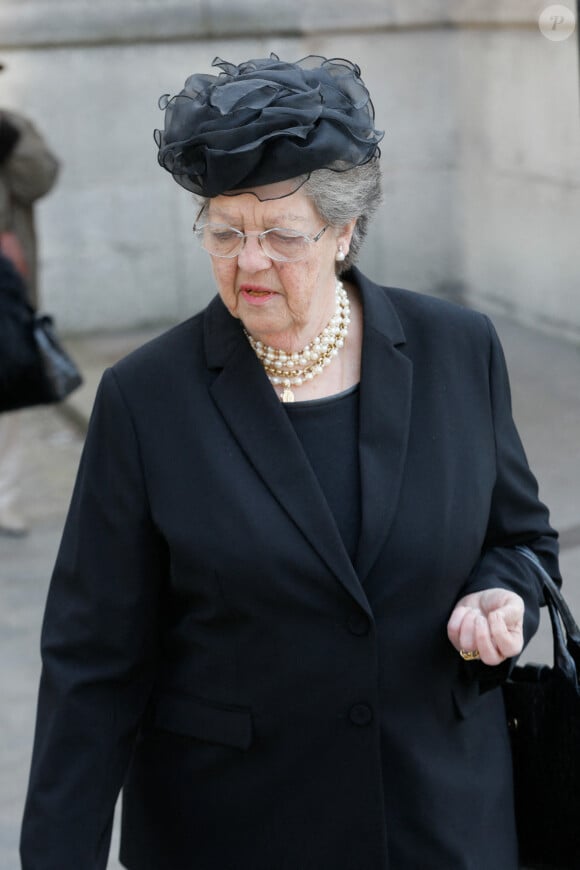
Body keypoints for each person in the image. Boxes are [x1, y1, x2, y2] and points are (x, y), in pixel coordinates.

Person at [20, 54, 559, 869]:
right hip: (234, 829)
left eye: (280, 234)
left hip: (443, 821)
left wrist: (499, 591)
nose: (249, 261)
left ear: (344, 232)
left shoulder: (459, 350)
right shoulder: (146, 397)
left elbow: (522, 540)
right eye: (225, 231)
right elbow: (93, 662)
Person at [0, 60, 59, 536]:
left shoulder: (14, 128)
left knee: (10, 391)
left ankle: (5, 499)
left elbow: (39, 179)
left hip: (8, 288)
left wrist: (7, 142)